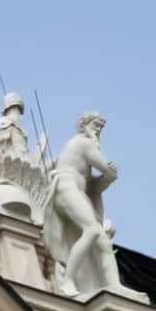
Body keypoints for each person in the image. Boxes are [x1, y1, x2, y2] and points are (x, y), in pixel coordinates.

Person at [43, 111, 129, 299]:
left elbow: (95, 185)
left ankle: (115, 286)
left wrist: (108, 176)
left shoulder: (83, 152)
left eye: (100, 127)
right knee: (91, 230)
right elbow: (105, 168)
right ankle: (68, 282)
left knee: (102, 241)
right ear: (84, 125)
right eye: (94, 125)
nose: (97, 130)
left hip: (75, 192)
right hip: (66, 188)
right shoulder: (84, 142)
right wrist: (110, 172)